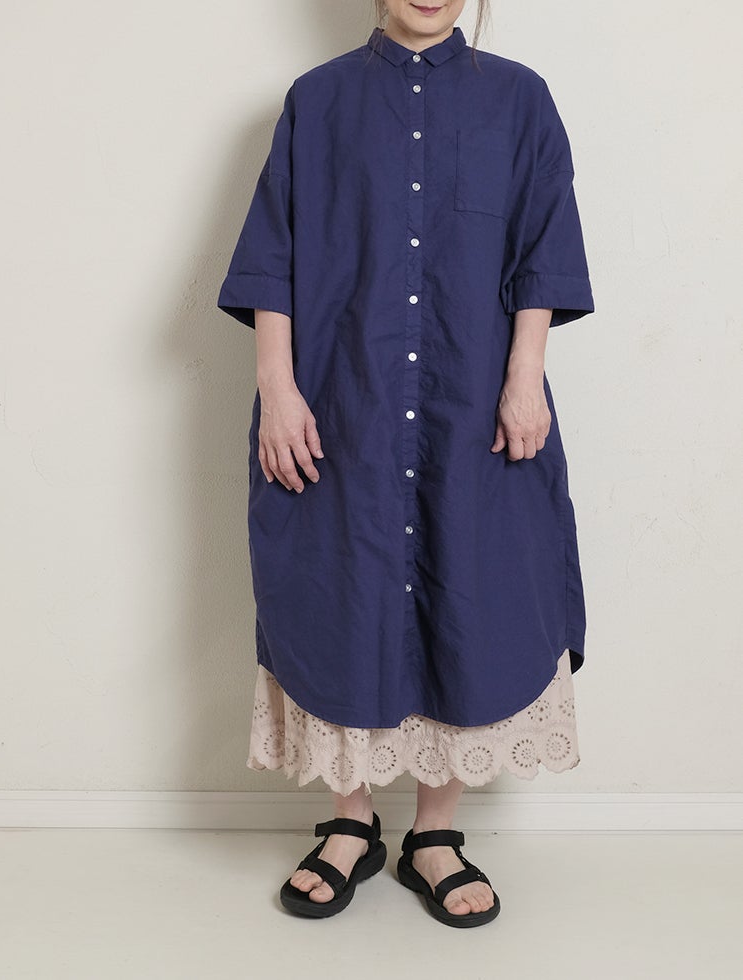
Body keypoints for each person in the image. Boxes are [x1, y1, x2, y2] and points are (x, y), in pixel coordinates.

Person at [217, 0, 594, 927]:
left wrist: (525, 379)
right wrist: (277, 388)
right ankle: (350, 822)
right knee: (343, 594)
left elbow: (543, 249)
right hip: (343, 402)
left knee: (469, 591)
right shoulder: (316, 101)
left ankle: (435, 834)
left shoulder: (520, 100)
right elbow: (272, 257)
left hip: (476, 405)